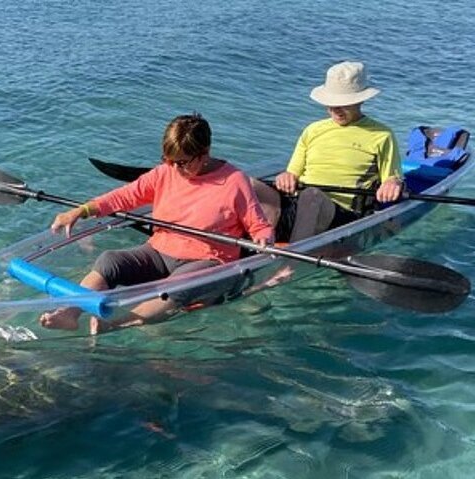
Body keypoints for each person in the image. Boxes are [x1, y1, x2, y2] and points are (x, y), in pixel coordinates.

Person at [40, 113, 275, 334]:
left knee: (176, 286)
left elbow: (259, 225)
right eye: (168, 160)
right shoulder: (165, 172)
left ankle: (113, 325)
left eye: (181, 162)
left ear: (204, 153)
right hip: (160, 250)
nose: (174, 168)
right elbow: (125, 196)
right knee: (109, 260)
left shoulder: (234, 182)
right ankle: (69, 314)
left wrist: (264, 239)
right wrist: (81, 211)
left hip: (209, 259)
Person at [252, 61, 404, 242]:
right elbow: (292, 173)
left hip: (341, 214)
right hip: (298, 205)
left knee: (312, 195)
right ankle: (252, 244)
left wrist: (391, 185)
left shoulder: (382, 135)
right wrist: (286, 177)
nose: (335, 110)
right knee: (245, 182)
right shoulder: (313, 130)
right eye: (331, 104)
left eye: (343, 104)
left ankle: (289, 265)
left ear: (360, 100)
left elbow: (391, 178)